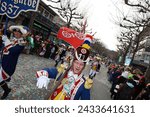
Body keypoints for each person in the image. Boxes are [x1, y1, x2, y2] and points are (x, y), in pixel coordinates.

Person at [36, 35, 93, 100]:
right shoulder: (63, 72)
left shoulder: (84, 84)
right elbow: (49, 71)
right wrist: (44, 75)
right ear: (72, 62)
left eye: (81, 64)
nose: (78, 66)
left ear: (84, 67)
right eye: (76, 63)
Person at [0, 25, 29, 99]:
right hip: (3, 60)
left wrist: (6, 41)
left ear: (22, 33)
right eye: (15, 31)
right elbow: (5, 48)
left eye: (17, 31)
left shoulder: (22, 42)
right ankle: (6, 84)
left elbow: (13, 51)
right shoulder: (13, 39)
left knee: (0, 79)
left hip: (9, 63)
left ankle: (6, 90)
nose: (15, 32)